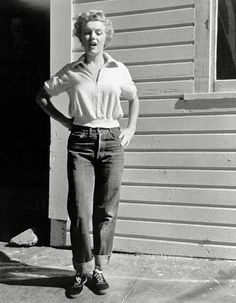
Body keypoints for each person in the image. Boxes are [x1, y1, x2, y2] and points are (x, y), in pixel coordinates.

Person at [36, 9, 139, 298]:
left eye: (98, 31)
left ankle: (99, 269)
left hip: (111, 141)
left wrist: (129, 129)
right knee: (80, 211)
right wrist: (66, 121)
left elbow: (134, 97)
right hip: (80, 142)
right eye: (87, 32)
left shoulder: (118, 69)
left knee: (106, 209)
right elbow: (42, 96)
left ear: (106, 36)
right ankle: (82, 269)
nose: (92, 36)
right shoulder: (71, 71)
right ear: (80, 36)